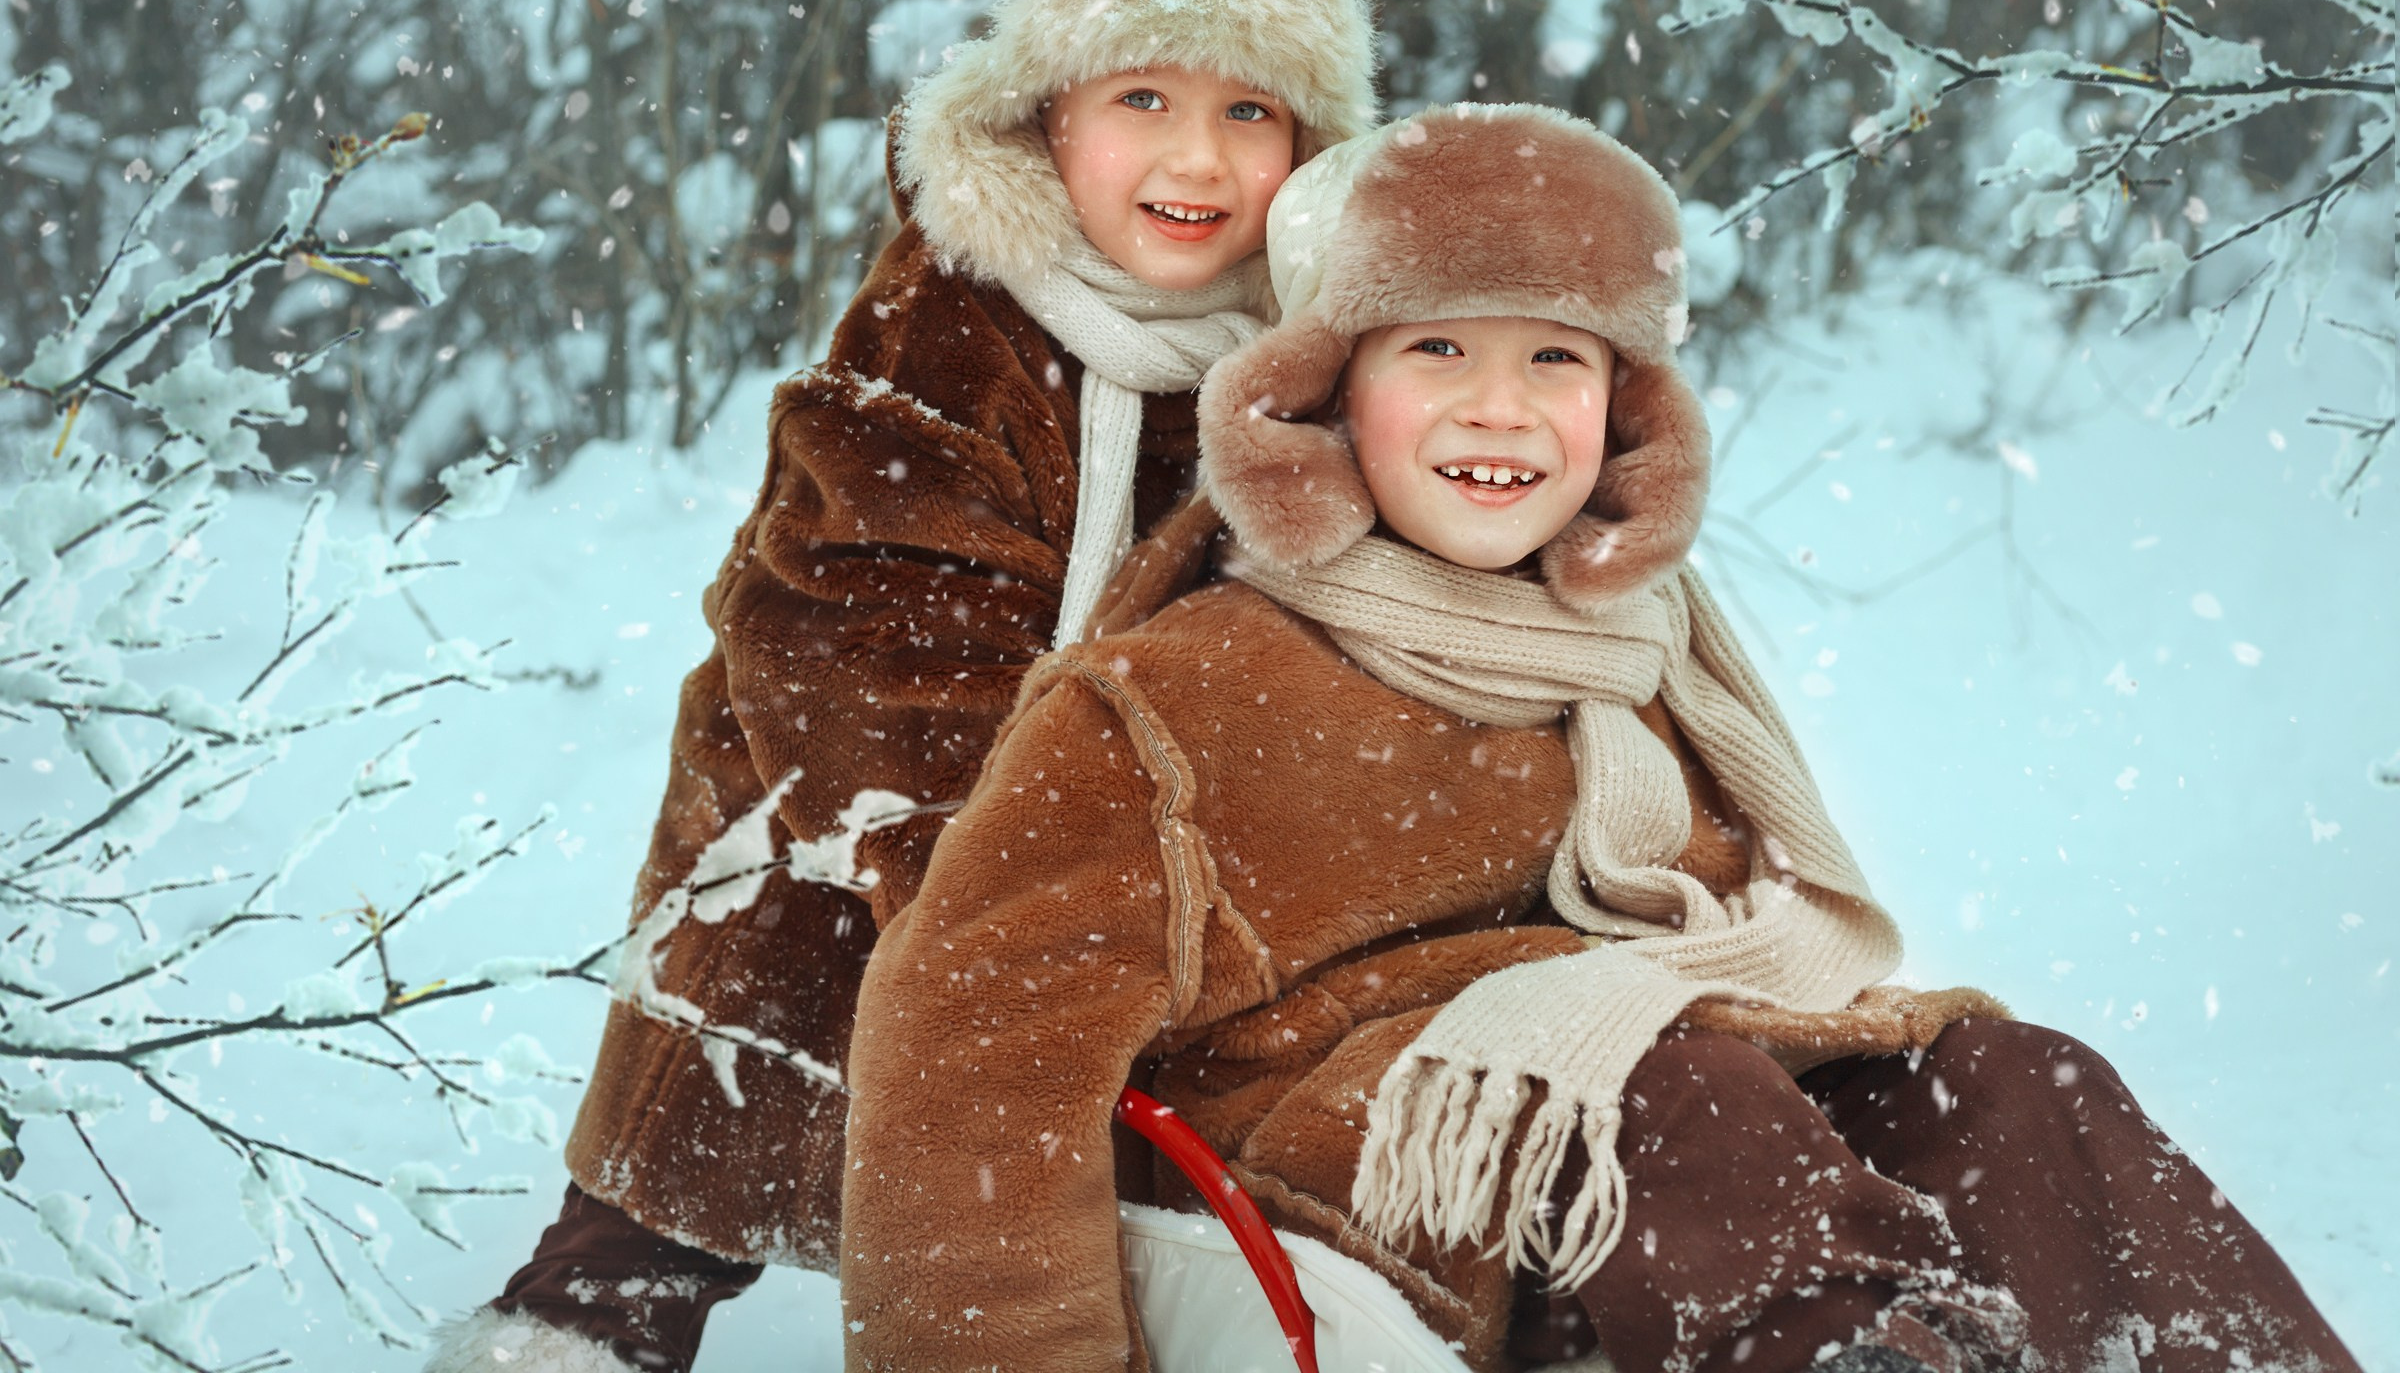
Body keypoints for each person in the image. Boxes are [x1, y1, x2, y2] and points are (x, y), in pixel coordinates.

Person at [837, 103, 2363, 1373]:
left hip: (1670, 1152)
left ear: (1628, 414)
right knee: (1673, 1092)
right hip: (1360, 1195)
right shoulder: (1176, 696)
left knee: (2010, 1081)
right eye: (1437, 351)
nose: (1500, 409)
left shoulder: (1647, 654)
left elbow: (1716, 954)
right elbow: (959, 1058)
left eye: (1556, 360)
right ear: (1325, 390)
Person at [427, 0, 1376, 1373]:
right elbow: (861, 629)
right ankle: (588, 1321)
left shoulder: (1307, 353)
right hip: (855, 820)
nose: (1198, 161)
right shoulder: (951, 320)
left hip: (1151, 852)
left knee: (1102, 1184)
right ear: (1047, 113)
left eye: (1249, 110)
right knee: (737, 1094)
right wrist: (1008, 882)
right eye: (1144, 98)